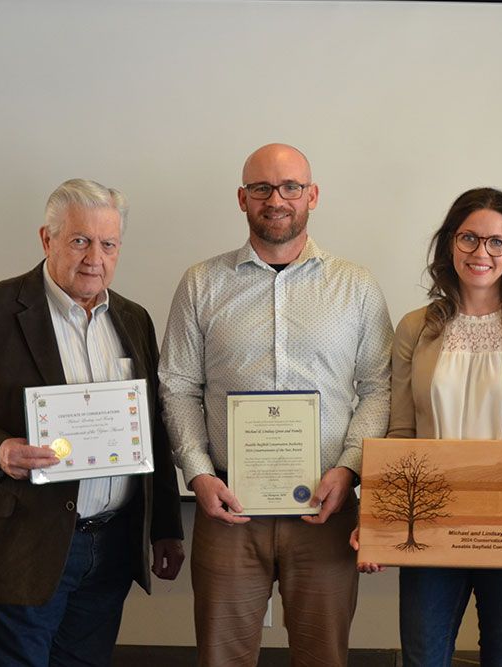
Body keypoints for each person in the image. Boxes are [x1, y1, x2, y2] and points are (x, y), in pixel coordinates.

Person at [159, 143, 393, 667]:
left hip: (325, 509)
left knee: (323, 657)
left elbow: (380, 387)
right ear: (242, 199)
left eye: (290, 187)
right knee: (222, 657)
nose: (276, 199)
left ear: (312, 195)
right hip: (229, 509)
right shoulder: (202, 283)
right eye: (261, 188)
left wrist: (350, 470)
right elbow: (177, 385)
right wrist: (198, 475)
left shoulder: (354, 286)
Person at [0, 179, 184, 666]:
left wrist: (165, 527)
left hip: (111, 546)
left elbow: (152, 428)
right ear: (47, 239)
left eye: (108, 243)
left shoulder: (134, 319)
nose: (94, 256)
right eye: (80, 240)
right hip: (19, 548)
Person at [354, 187, 502, 666]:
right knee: (423, 659)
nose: (481, 253)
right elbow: (402, 435)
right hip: (431, 526)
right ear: (450, 243)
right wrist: (381, 526)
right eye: (469, 238)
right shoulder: (415, 327)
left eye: (497, 242)